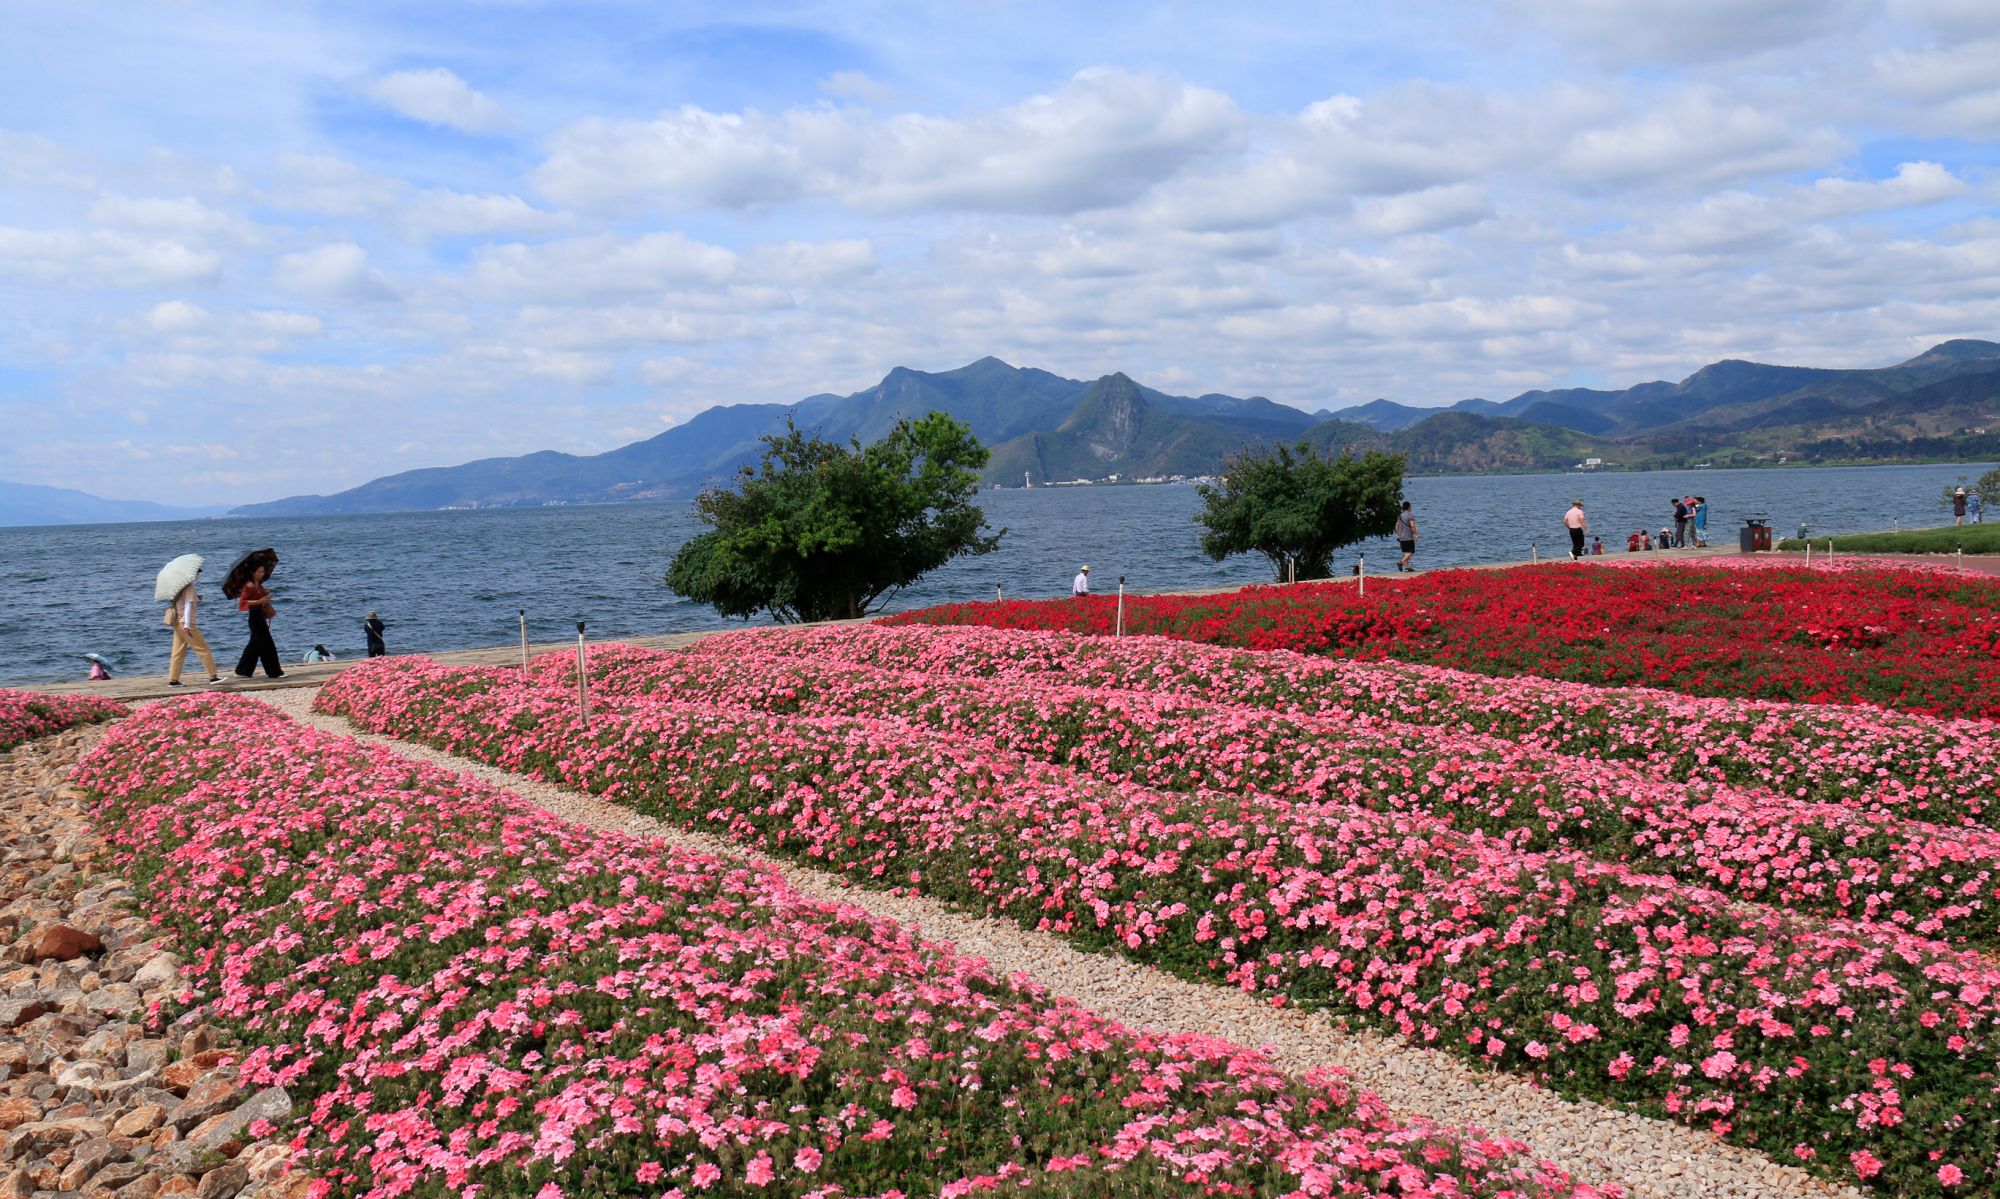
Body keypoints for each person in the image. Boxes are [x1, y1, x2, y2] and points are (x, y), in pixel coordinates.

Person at [164, 568, 222, 686]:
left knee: (178, 652)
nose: (198, 575)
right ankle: (213, 677)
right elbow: (187, 605)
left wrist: (197, 597)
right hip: (186, 623)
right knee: (203, 649)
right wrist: (187, 625)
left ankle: (173, 680)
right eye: (196, 573)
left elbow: (181, 602)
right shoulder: (189, 587)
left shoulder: (179, 587)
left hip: (177, 623)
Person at [234, 563, 284, 679]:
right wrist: (260, 600)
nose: (262, 574)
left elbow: (259, 598)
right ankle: (274, 672)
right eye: (259, 572)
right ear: (253, 573)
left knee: (255, 645)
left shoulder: (258, 585)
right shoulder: (249, 585)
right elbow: (242, 603)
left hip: (260, 615)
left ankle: (243, 670)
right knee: (267, 645)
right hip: (254, 617)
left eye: (263, 571)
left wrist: (265, 595)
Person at [1394, 501, 1418, 572]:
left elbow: (1396, 526)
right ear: (1408, 507)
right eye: (1410, 506)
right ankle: (1400, 562)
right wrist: (1416, 534)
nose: (1411, 508)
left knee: (1406, 552)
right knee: (1411, 552)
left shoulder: (1400, 516)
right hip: (1408, 537)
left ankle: (1407, 568)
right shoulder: (1410, 515)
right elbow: (1413, 526)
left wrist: (1399, 534)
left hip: (1402, 538)